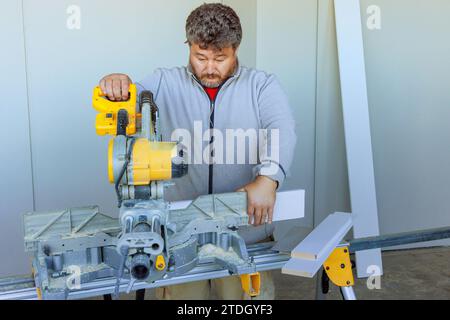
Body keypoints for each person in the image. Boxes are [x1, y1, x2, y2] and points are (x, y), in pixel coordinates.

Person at [99, 3, 296, 300]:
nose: (209, 68)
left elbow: (281, 128)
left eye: (220, 58)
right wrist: (117, 83)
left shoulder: (261, 86)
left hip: (244, 235)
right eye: (200, 57)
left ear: (235, 49)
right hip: (180, 237)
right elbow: (128, 97)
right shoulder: (164, 82)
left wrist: (268, 178)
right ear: (188, 46)